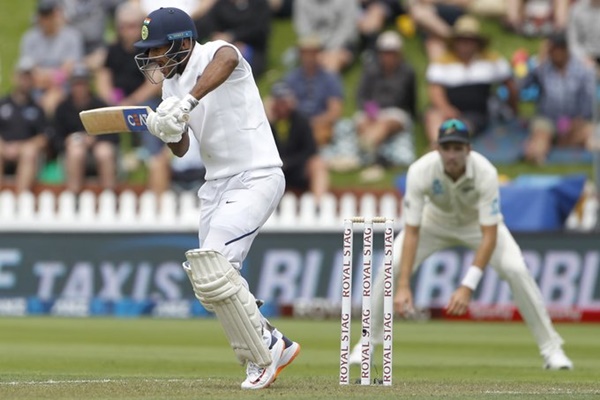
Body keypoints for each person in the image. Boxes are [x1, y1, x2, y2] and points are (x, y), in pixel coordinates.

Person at [133, 7, 300, 389]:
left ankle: (262, 357)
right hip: (216, 185)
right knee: (210, 284)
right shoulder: (170, 87)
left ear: (184, 43)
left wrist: (187, 103)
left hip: (257, 174)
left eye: (158, 49)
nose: (153, 58)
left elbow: (228, 58)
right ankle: (276, 341)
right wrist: (168, 129)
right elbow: (182, 147)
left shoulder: (216, 54)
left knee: (216, 261)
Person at [348, 118, 574, 371]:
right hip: (434, 221)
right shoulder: (420, 170)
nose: (452, 154)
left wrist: (467, 286)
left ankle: (552, 350)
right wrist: (402, 286)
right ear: (437, 149)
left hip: (478, 225)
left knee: (516, 270)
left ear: (468, 149)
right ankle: (366, 345)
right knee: (392, 264)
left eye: (458, 148)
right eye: (447, 148)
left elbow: (489, 234)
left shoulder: (485, 172)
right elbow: (412, 230)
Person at [96, 1, 169, 194]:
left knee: (149, 117)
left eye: (132, 25)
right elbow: (103, 76)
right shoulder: (113, 49)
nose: (127, 30)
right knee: (100, 115)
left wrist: (131, 101)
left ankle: (152, 159)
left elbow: (155, 82)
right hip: (118, 101)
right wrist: (110, 97)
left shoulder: (150, 48)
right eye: (123, 26)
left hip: (144, 102)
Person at [424, 15, 518, 147]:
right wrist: (446, 109)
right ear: (455, 42)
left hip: (476, 114)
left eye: (469, 40)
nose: (465, 44)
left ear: (477, 42)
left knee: (460, 127)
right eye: (461, 40)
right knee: (433, 115)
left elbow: (510, 85)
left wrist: (513, 108)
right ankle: (435, 146)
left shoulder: (492, 61)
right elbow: (435, 91)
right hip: (447, 110)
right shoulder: (441, 63)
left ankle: (451, 143)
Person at [521, 31, 595, 165]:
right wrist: (538, 64)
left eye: (560, 48)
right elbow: (523, 86)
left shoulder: (582, 69)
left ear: (566, 49)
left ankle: (565, 143)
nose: (556, 53)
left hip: (576, 120)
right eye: (553, 49)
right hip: (548, 119)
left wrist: (580, 119)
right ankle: (540, 153)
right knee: (539, 142)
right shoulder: (542, 68)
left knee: (592, 136)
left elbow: (588, 98)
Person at [53, 65, 119, 193]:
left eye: (83, 83)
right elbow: (55, 137)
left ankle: (109, 194)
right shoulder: (62, 108)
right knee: (76, 152)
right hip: (73, 150)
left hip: (98, 146)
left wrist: (95, 139)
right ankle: (74, 194)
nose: (80, 87)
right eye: (76, 84)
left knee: (105, 152)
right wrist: (67, 141)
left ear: (89, 84)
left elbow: (113, 135)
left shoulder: (100, 105)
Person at [267, 81, 330, 202]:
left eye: (284, 102)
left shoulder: (301, 121)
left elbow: (310, 150)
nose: (282, 106)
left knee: (317, 163)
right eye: (279, 102)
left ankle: (318, 205)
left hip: (296, 168)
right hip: (273, 170)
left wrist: (289, 163)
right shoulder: (266, 123)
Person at [0, 60, 48, 193]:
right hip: (3, 148)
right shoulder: (2, 103)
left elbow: (44, 137)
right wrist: (4, 146)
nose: (25, 81)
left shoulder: (38, 108)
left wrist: (21, 147)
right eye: (22, 77)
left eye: (28, 77)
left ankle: (19, 202)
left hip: (25, 149)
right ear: (14, 77)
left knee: (29, 152)